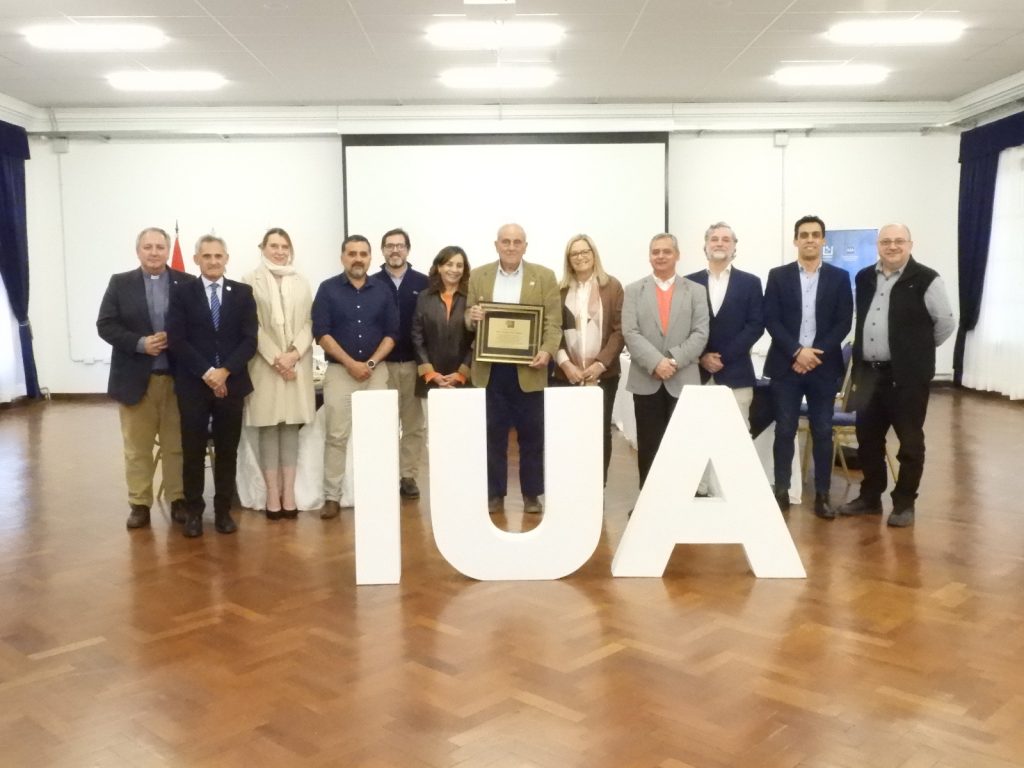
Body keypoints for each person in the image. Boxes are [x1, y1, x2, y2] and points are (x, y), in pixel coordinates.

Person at [838, 224, 955, 527]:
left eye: (899, 241)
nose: (892, 246)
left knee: (910, 442)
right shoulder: (864, 277)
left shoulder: (927, 279)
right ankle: (870, 497)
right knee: (867, 440)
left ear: (910, 244)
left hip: (907, 377)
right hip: (868, 374)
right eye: (886, 241)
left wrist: (915, 351)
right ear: (878, 245)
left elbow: (945, 323)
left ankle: (904, 502)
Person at [96, 227, 194, 529]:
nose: (154, 252)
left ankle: (178, 499)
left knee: (176, 445)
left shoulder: (187, 283)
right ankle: (139, 504)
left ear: (168, 251)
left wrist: (175, 339)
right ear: (138, 251)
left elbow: (198, 326)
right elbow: (105, 325)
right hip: (135, 379)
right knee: (137, 448)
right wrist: (140, 343)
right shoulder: (120, 283)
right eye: (148, 247)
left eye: (160, 247)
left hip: (177, 379)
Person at [466, 223, 562, 515]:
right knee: (492, 435)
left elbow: (553, 322)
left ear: (525, 246)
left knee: (532, 436)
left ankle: (532, 494)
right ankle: (494, 493)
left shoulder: (544, 276)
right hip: (490, 370)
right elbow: (468, 319)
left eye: (516, 242)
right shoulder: (478, 275)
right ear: (496, 245)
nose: (510, 247)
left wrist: (547, 350)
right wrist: (471, 316)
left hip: (529, 369)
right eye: (505, 241)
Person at [166, 235, 258, 538]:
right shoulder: (182, 293)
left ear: (227, 258)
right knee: (192, 450)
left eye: (219, 256)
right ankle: (194, 512)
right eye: (207, 256)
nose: (213, 261)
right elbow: (177, 339)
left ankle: (223, 511)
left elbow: (250, 340)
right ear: (197, 260)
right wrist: (208, 373)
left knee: (227, 450)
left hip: (232, 383)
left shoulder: (242, 293)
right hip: (193, 384)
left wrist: (225, 371)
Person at [763, 215, 853, 520]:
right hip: (786, 365)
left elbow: (843, 321)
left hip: (823, 367)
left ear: (823, 240)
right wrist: (797, 352)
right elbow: (771, 319)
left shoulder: (839, 277)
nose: (810, 239)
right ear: (796, 240)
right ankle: (781, 491)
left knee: (823, 430)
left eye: (815, 234)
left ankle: (823, 495)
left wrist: (814, 355)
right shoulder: (778, 276)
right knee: (785, 429)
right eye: (804, 235)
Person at [312, 235, 398, 519]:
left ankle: (377, 492)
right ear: (343, 257)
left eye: (363, 254)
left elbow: (392, 333)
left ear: (370, 258)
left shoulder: (383, 290)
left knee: (378, 434)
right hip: (340, 372)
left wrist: (370, 363)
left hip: (376, 372)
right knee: (336, 435)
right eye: (352, 253)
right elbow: (321, 333)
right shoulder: (327, 289)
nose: (358, 259)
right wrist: (350, 363)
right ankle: (331, 497)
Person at [621, 233, 709, 491]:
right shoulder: (633, 290)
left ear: (677, 255)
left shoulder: (696, 291)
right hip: (646, 379)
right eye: (655, 251)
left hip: (683, 380)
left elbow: (700, 333)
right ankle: (647, 503)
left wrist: (673, 360)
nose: (660, 256)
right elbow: (630, 332)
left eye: (666, 251)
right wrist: (656, 362)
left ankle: (679, 502)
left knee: (682, 445)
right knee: (649, 445)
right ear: (649, 256)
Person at [241, 228, 315, 520]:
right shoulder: (249, 280)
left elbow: (309, 322)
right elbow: (251, 326)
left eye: (285, 246)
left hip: (296, 364)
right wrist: (277, 358)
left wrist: (293, 354)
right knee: (269, 427)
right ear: (263, 248)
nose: (280, 251)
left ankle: (289, 492)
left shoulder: (301, 281)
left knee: (291, 427)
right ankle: (272, 492)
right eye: (274, 246)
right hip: (265, 366)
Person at [553, 234, 624, 484]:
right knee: (569, 431)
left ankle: (597, 485)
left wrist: (600, 364)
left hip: (604, 374)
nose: (580, 257)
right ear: (568, 259)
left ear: (594, 255)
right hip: (566, 375)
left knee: (600, 431)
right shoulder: (559, 290)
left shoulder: (612, 286)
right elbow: (552, 330)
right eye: (574, 253)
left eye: (585, 252)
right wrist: (565, 364)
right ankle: (570, 483)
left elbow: (620, 330)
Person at [684, 222, 764, 431]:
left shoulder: (751, 283)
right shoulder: (688, 283)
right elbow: (683, 327)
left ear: (734, 246)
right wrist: (702, 356)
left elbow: (755, 325)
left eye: (726, 239)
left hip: (736, 374)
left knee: (736, 437)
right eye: (714, 239)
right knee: (697, 435)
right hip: (696, 374)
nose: (719, 243)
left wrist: (722, 358)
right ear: (706, 245)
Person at [372, 228, 429, 500]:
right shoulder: (371, 283)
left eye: (400, 245)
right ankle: (383, 472)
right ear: (383, 250)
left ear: (408, 249)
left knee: (414, 424)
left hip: (414, 365)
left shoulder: (424, 282)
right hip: (381, 366)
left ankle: (408, 475)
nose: (395, 250)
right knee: (382, 423)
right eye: (390, 246)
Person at [411, 246, 473, 398]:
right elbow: (417, 337)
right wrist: (430, 373)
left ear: (464, 270)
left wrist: (462, 373)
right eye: (449, 264)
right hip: (430, 380)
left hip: (463, 381)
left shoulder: (472, 298)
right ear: (439, 267)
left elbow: (478, 339)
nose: (454, 270)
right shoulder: (424, 297)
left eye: (459, 265)